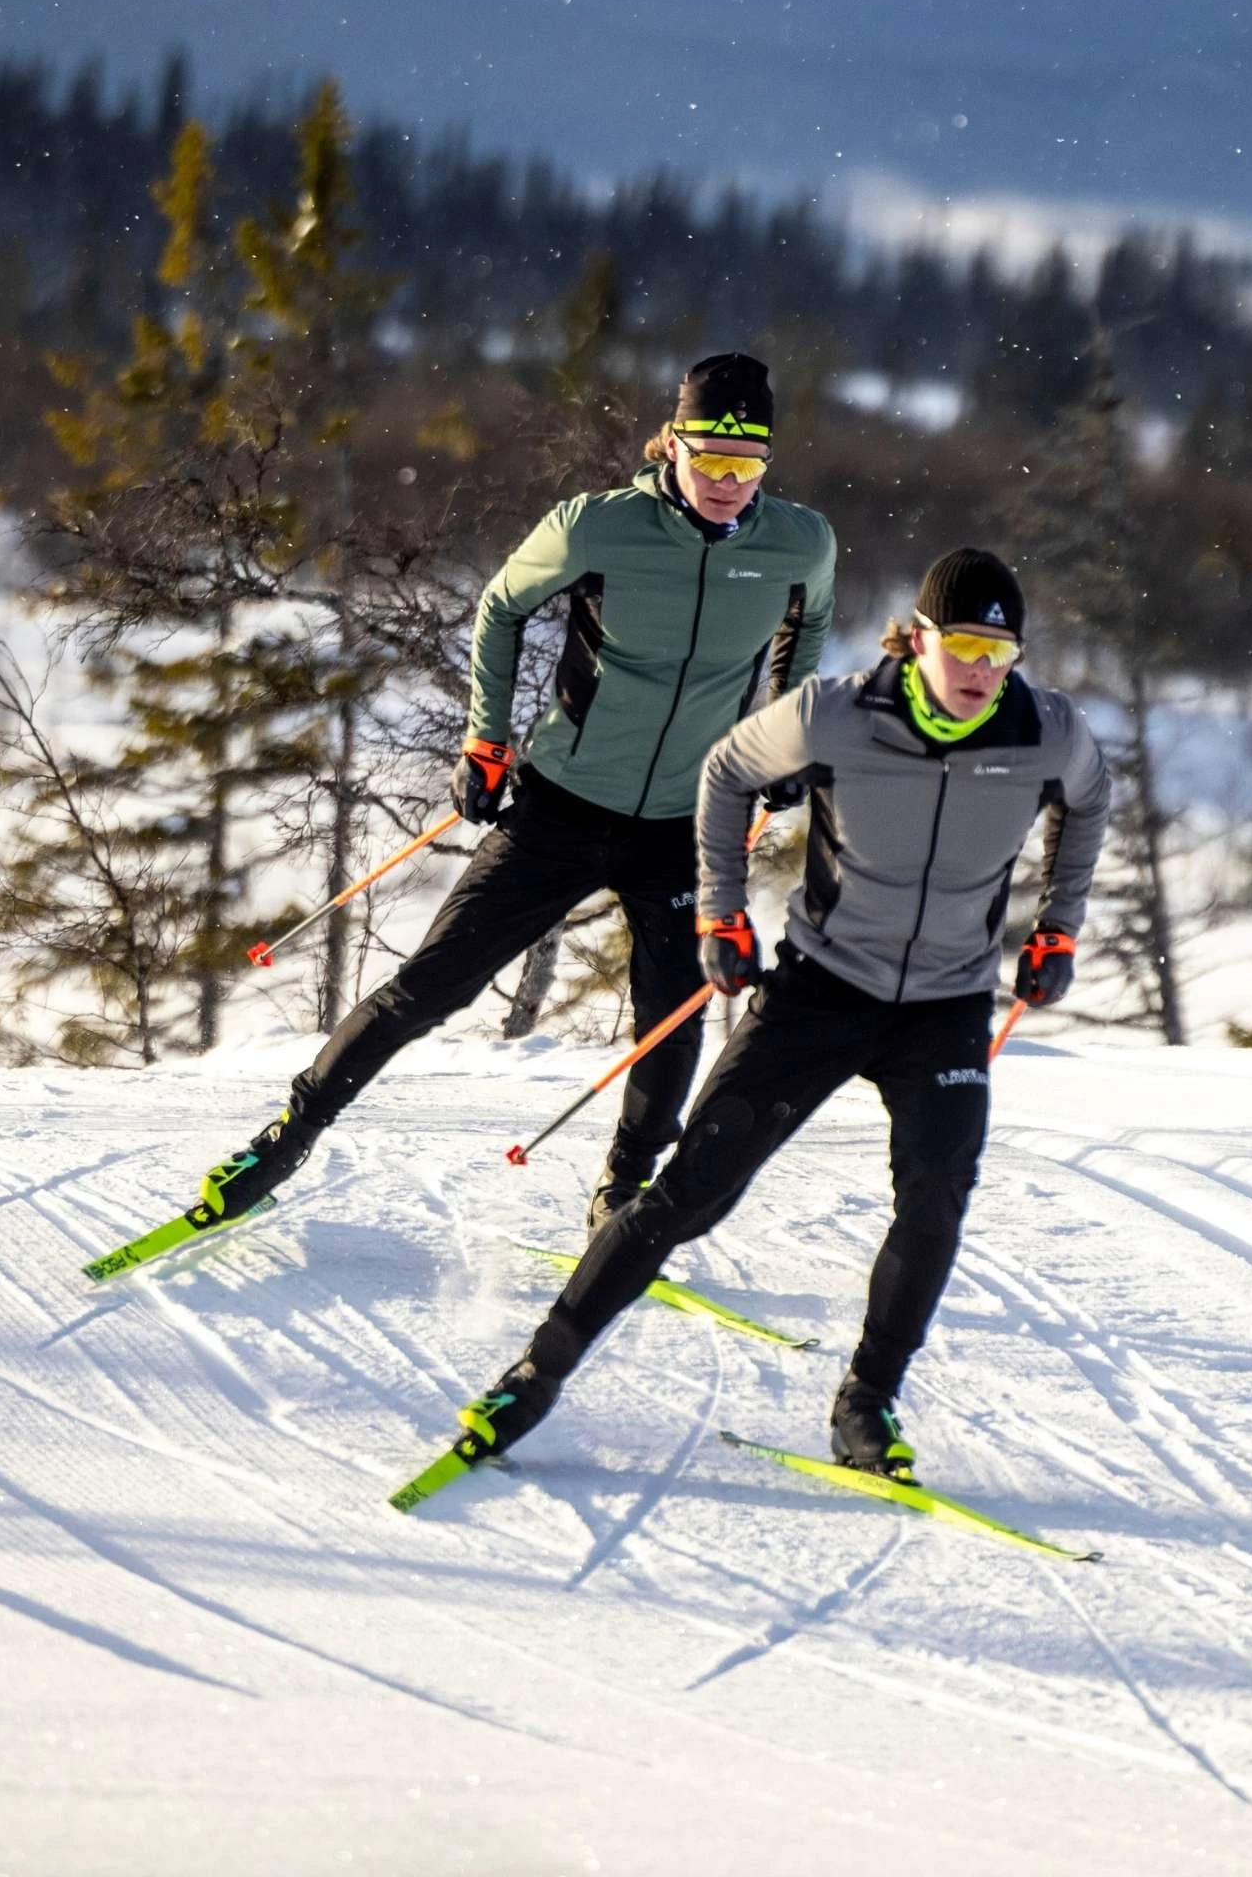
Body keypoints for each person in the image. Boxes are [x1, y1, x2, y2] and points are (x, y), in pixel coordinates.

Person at [426, 546, 1108, 1484]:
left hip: (946, 1006)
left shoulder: (1046, 731)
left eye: (1001, 649)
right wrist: (721, 909)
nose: (983, 668)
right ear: (918, 639)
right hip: (823, 988)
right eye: (964, 644)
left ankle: (867, 1400)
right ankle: (534, 1376)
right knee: (688, 1197)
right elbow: (723, 773)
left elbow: (1091, 799)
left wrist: (1058, 930)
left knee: (936, 1197)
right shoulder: (837, 713)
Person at [200, 352, 841, 1228]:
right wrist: (485, 740)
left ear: (767, 463)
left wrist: (783, 738)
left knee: (670, 1016)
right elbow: (501, 606)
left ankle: (624, 1186)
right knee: (431, 986)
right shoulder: (596, 527)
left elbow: (806, 635)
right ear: (672, 447)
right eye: (709, 459)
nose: (726, 482)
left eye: (746, 465)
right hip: (566, 802)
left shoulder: (799, 543)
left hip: (686, 825)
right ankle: (288, 1134)